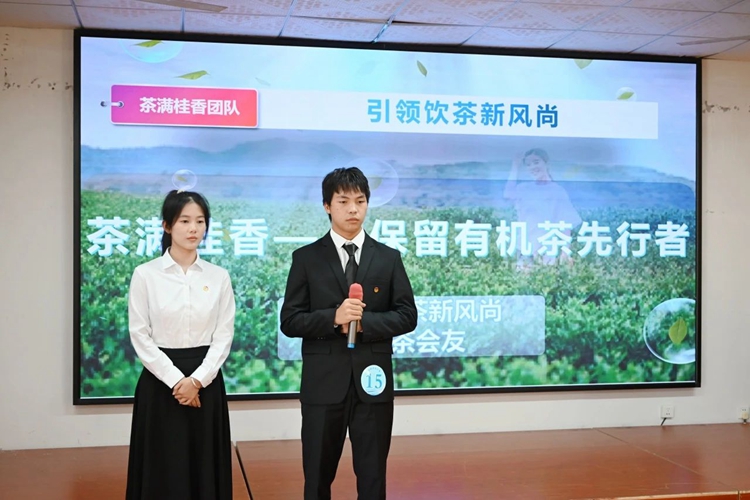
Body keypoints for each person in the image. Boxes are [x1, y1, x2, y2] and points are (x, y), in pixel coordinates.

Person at [280, 167, 418, 500]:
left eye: (360, 201)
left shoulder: (388, 258)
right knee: (317, 477)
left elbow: (407, 316)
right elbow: (290, 320)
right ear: (327, 206)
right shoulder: (306, 258)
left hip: (373, 383)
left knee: (373, 477)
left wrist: (364, 323)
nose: (353, 209)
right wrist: (334, 318)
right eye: (343, 201)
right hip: (323, 384)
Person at [125, 189, 235, 500]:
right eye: (184, 221)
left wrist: (197, 381)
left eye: (200, 221)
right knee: (162, 468)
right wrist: (177, 381)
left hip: (206, 383)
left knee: (204, 467)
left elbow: (223, 336)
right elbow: (140, 335)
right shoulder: (145, 275)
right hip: (161, 384)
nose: (193, 229)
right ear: (167, 225)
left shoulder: (218, 277)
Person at [503, 148, 581, 267]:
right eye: (528, 165)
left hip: (547, 249)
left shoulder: (557, 191)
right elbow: (508, 194)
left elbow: (566, 223)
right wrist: (515, 166)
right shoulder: (524, 188)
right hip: (525, 248)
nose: (533, 167)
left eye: (536, 162)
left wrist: (565, 251)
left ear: (546, 163)